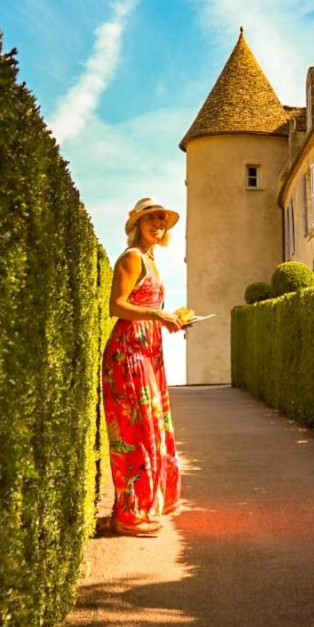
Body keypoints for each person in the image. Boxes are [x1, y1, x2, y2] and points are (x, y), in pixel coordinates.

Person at [102, 198, 184, 536]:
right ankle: (128, 516)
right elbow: (116, 306)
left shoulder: (150, 260)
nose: (158, 224)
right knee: (136, 433)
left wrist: (168, 320)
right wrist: (155, 314)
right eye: (151, 218)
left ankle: (139, 507)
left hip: (147, 350)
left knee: (151, 430)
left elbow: (145, 306)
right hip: (128, 353)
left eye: (162, 220)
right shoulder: (132, 258)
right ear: (137, 223)